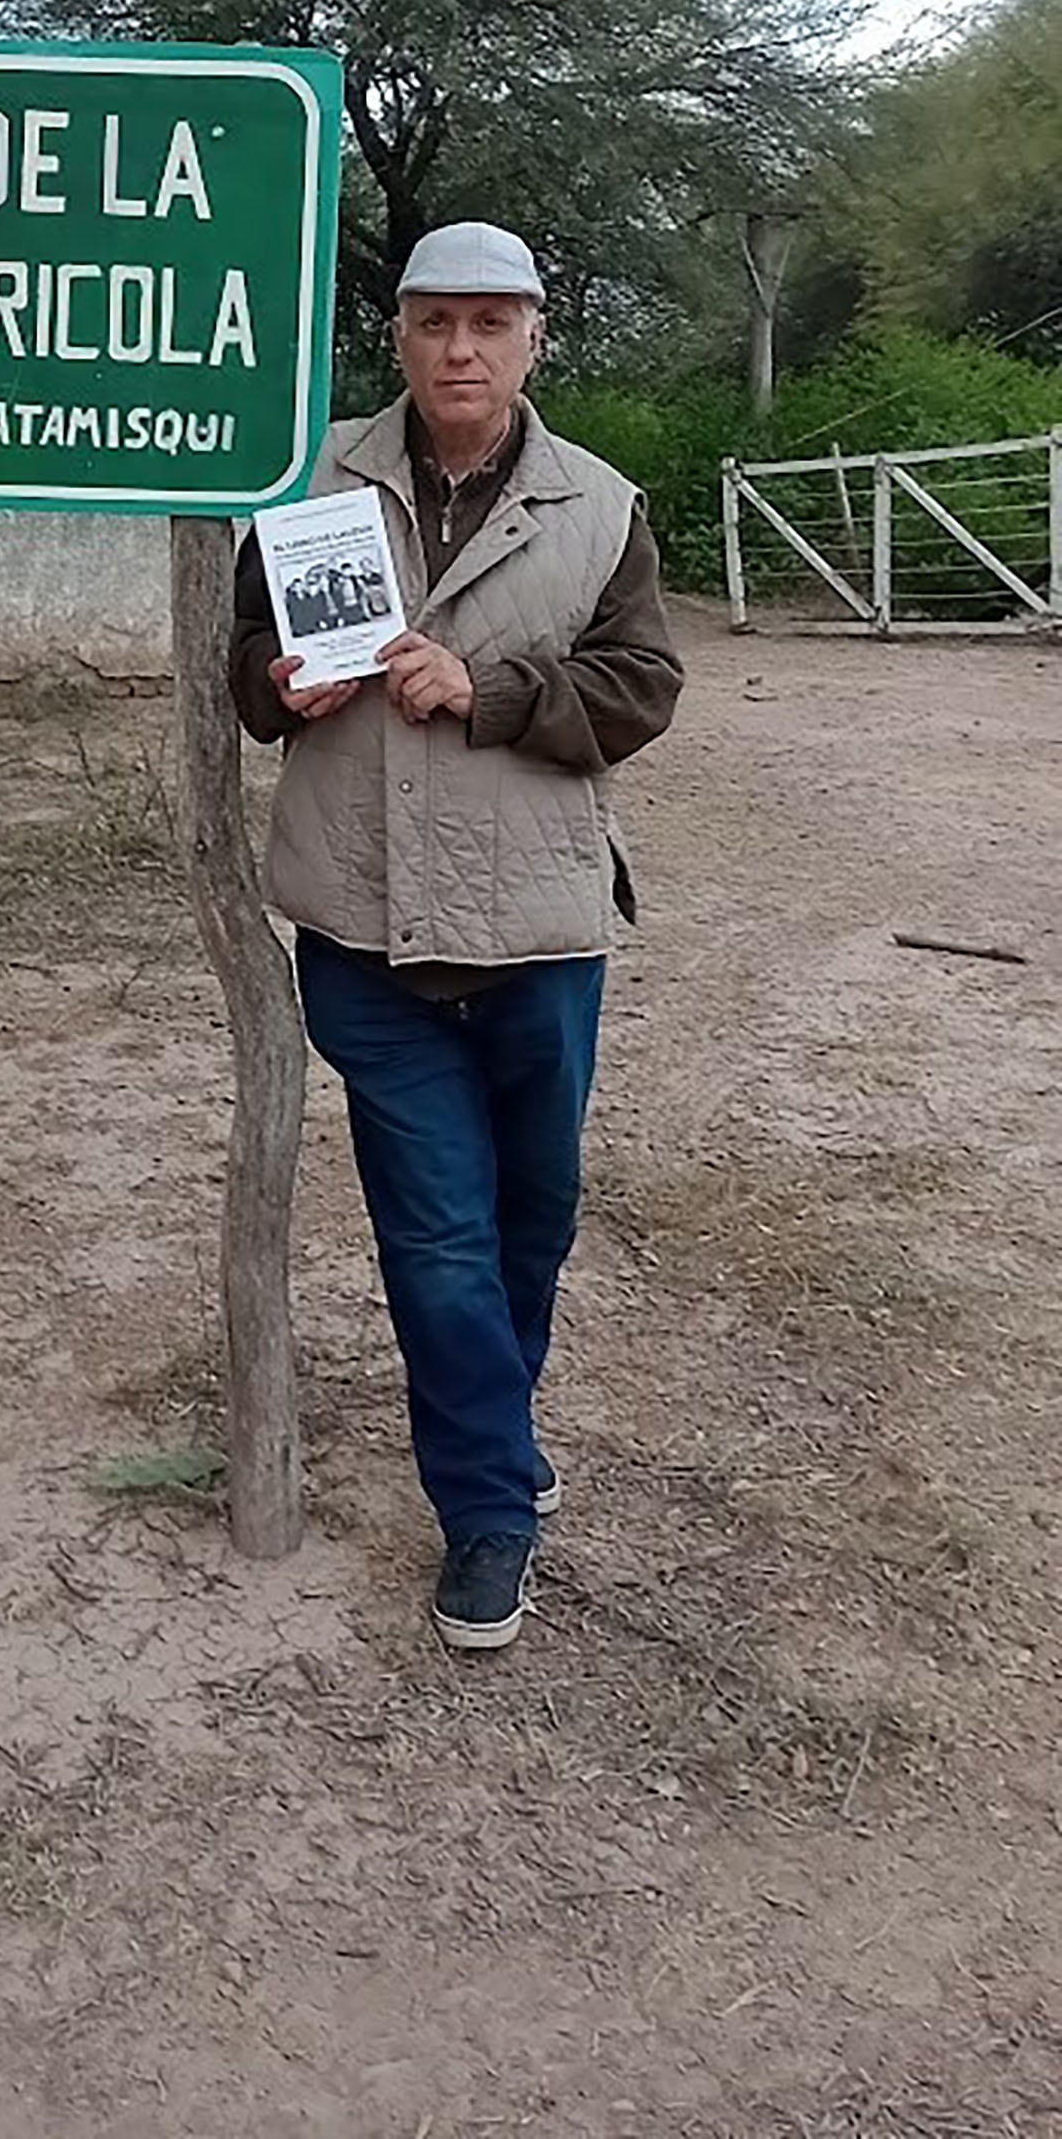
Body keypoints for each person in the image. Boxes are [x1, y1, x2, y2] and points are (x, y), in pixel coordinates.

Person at [230, 221, 683, 1651]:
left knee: (528, 1223)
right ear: (404, 337)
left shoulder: (600, 508)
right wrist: (277, 682)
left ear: (536, 336)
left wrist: (483, 688)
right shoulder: (308, 487)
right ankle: (489, 1507)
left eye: (492, 322)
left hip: (539, 932)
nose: (462, 350)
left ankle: (493, 1418)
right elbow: (248, 656)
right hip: (365, 934)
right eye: (436, 322)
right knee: (436, 1235)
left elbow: (642, 685)